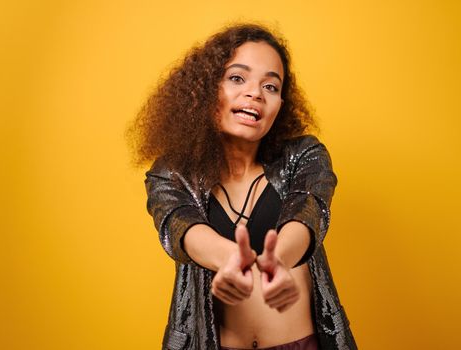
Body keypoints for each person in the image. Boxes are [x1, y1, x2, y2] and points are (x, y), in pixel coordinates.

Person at [127, 23, 358, 350]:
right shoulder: (171, 174)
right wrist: (230, 258)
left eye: (271, 86)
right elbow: (179, 226)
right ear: (207, 88)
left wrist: (278, 259)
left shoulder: (305, 155)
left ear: (280, 104)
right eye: (237, 78)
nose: (255, 93)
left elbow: (309, 212)